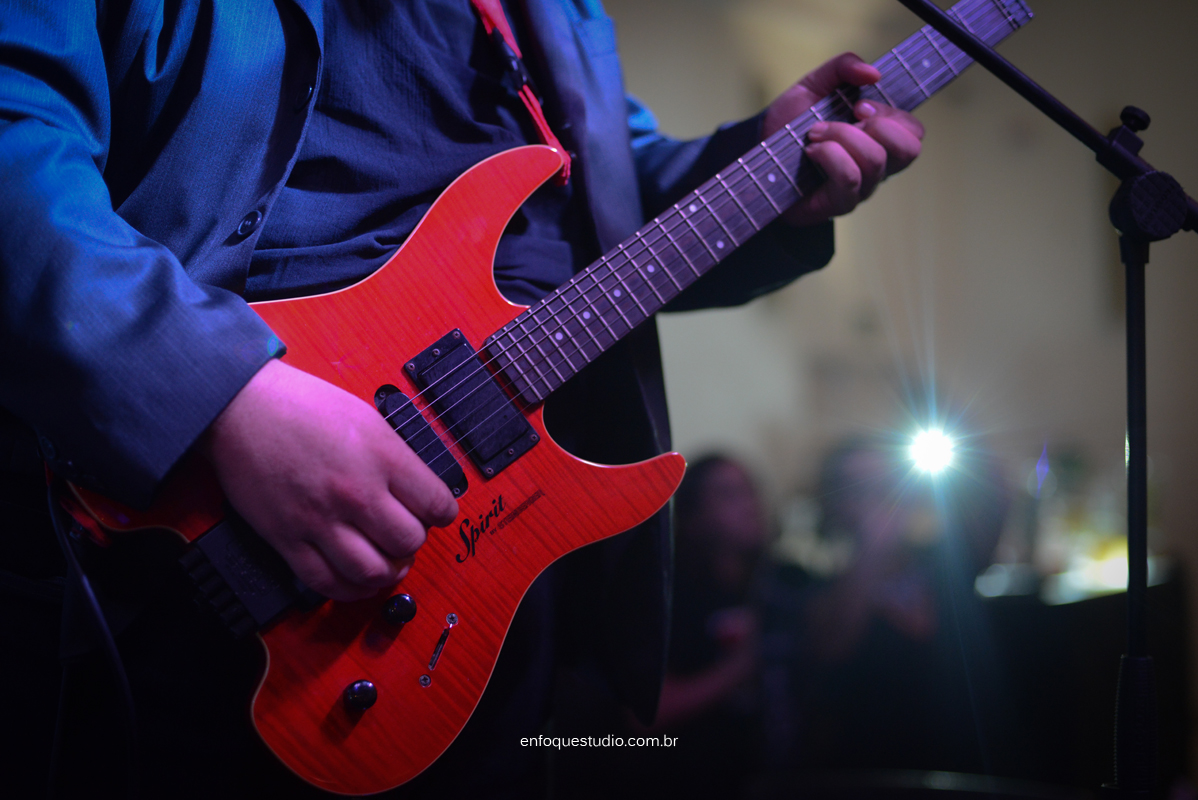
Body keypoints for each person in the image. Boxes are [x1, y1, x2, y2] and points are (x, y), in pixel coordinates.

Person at [0, 1, 923, 796]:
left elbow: (599, 193)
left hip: (502, 548)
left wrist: (760, 167)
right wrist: (220, 396)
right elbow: (15, 132)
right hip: (208, 528)